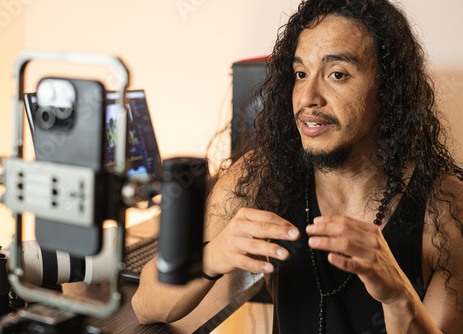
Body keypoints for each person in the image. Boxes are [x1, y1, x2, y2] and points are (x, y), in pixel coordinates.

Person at [132, 0, 463, 332]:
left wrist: (397, 297)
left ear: (388, 90)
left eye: (337, 74)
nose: (308, 97)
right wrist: (211, 256)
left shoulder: (446, 211)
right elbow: (146, 305)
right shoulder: (262, 176)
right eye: (301, 74)